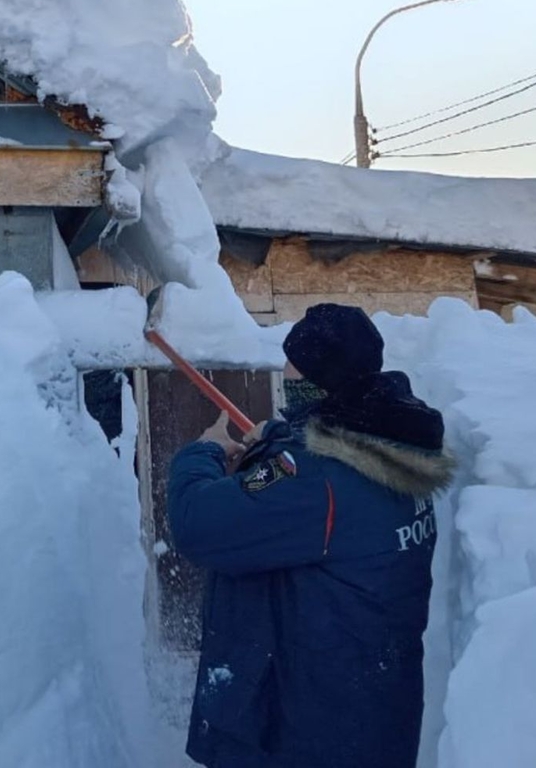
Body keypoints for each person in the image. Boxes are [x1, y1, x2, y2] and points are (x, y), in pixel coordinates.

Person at [168, 303, 454, 768]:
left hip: (306, 734)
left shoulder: (310, 479)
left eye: (294, 379)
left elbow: (196, 520)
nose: (287, 387)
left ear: (322, 387)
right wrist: (280, 440)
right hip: (370, 717)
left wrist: (205, 453)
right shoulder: (394, 443)